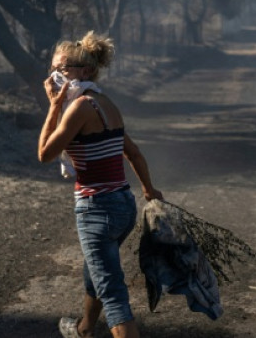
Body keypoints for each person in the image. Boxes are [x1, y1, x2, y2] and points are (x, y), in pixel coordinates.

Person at [38, 31, 164, 338]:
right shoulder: (106, 103)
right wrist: (147, 189)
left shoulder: (79, 108)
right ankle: (84, 330)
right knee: (96, 272)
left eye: (62, 69)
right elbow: (132, 152)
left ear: (87, 71)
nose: (55, 76)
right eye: (53, 70)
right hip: (123, 205)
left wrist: (54, 106)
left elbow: (44, 154)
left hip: (97, 209)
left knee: (113, 294)